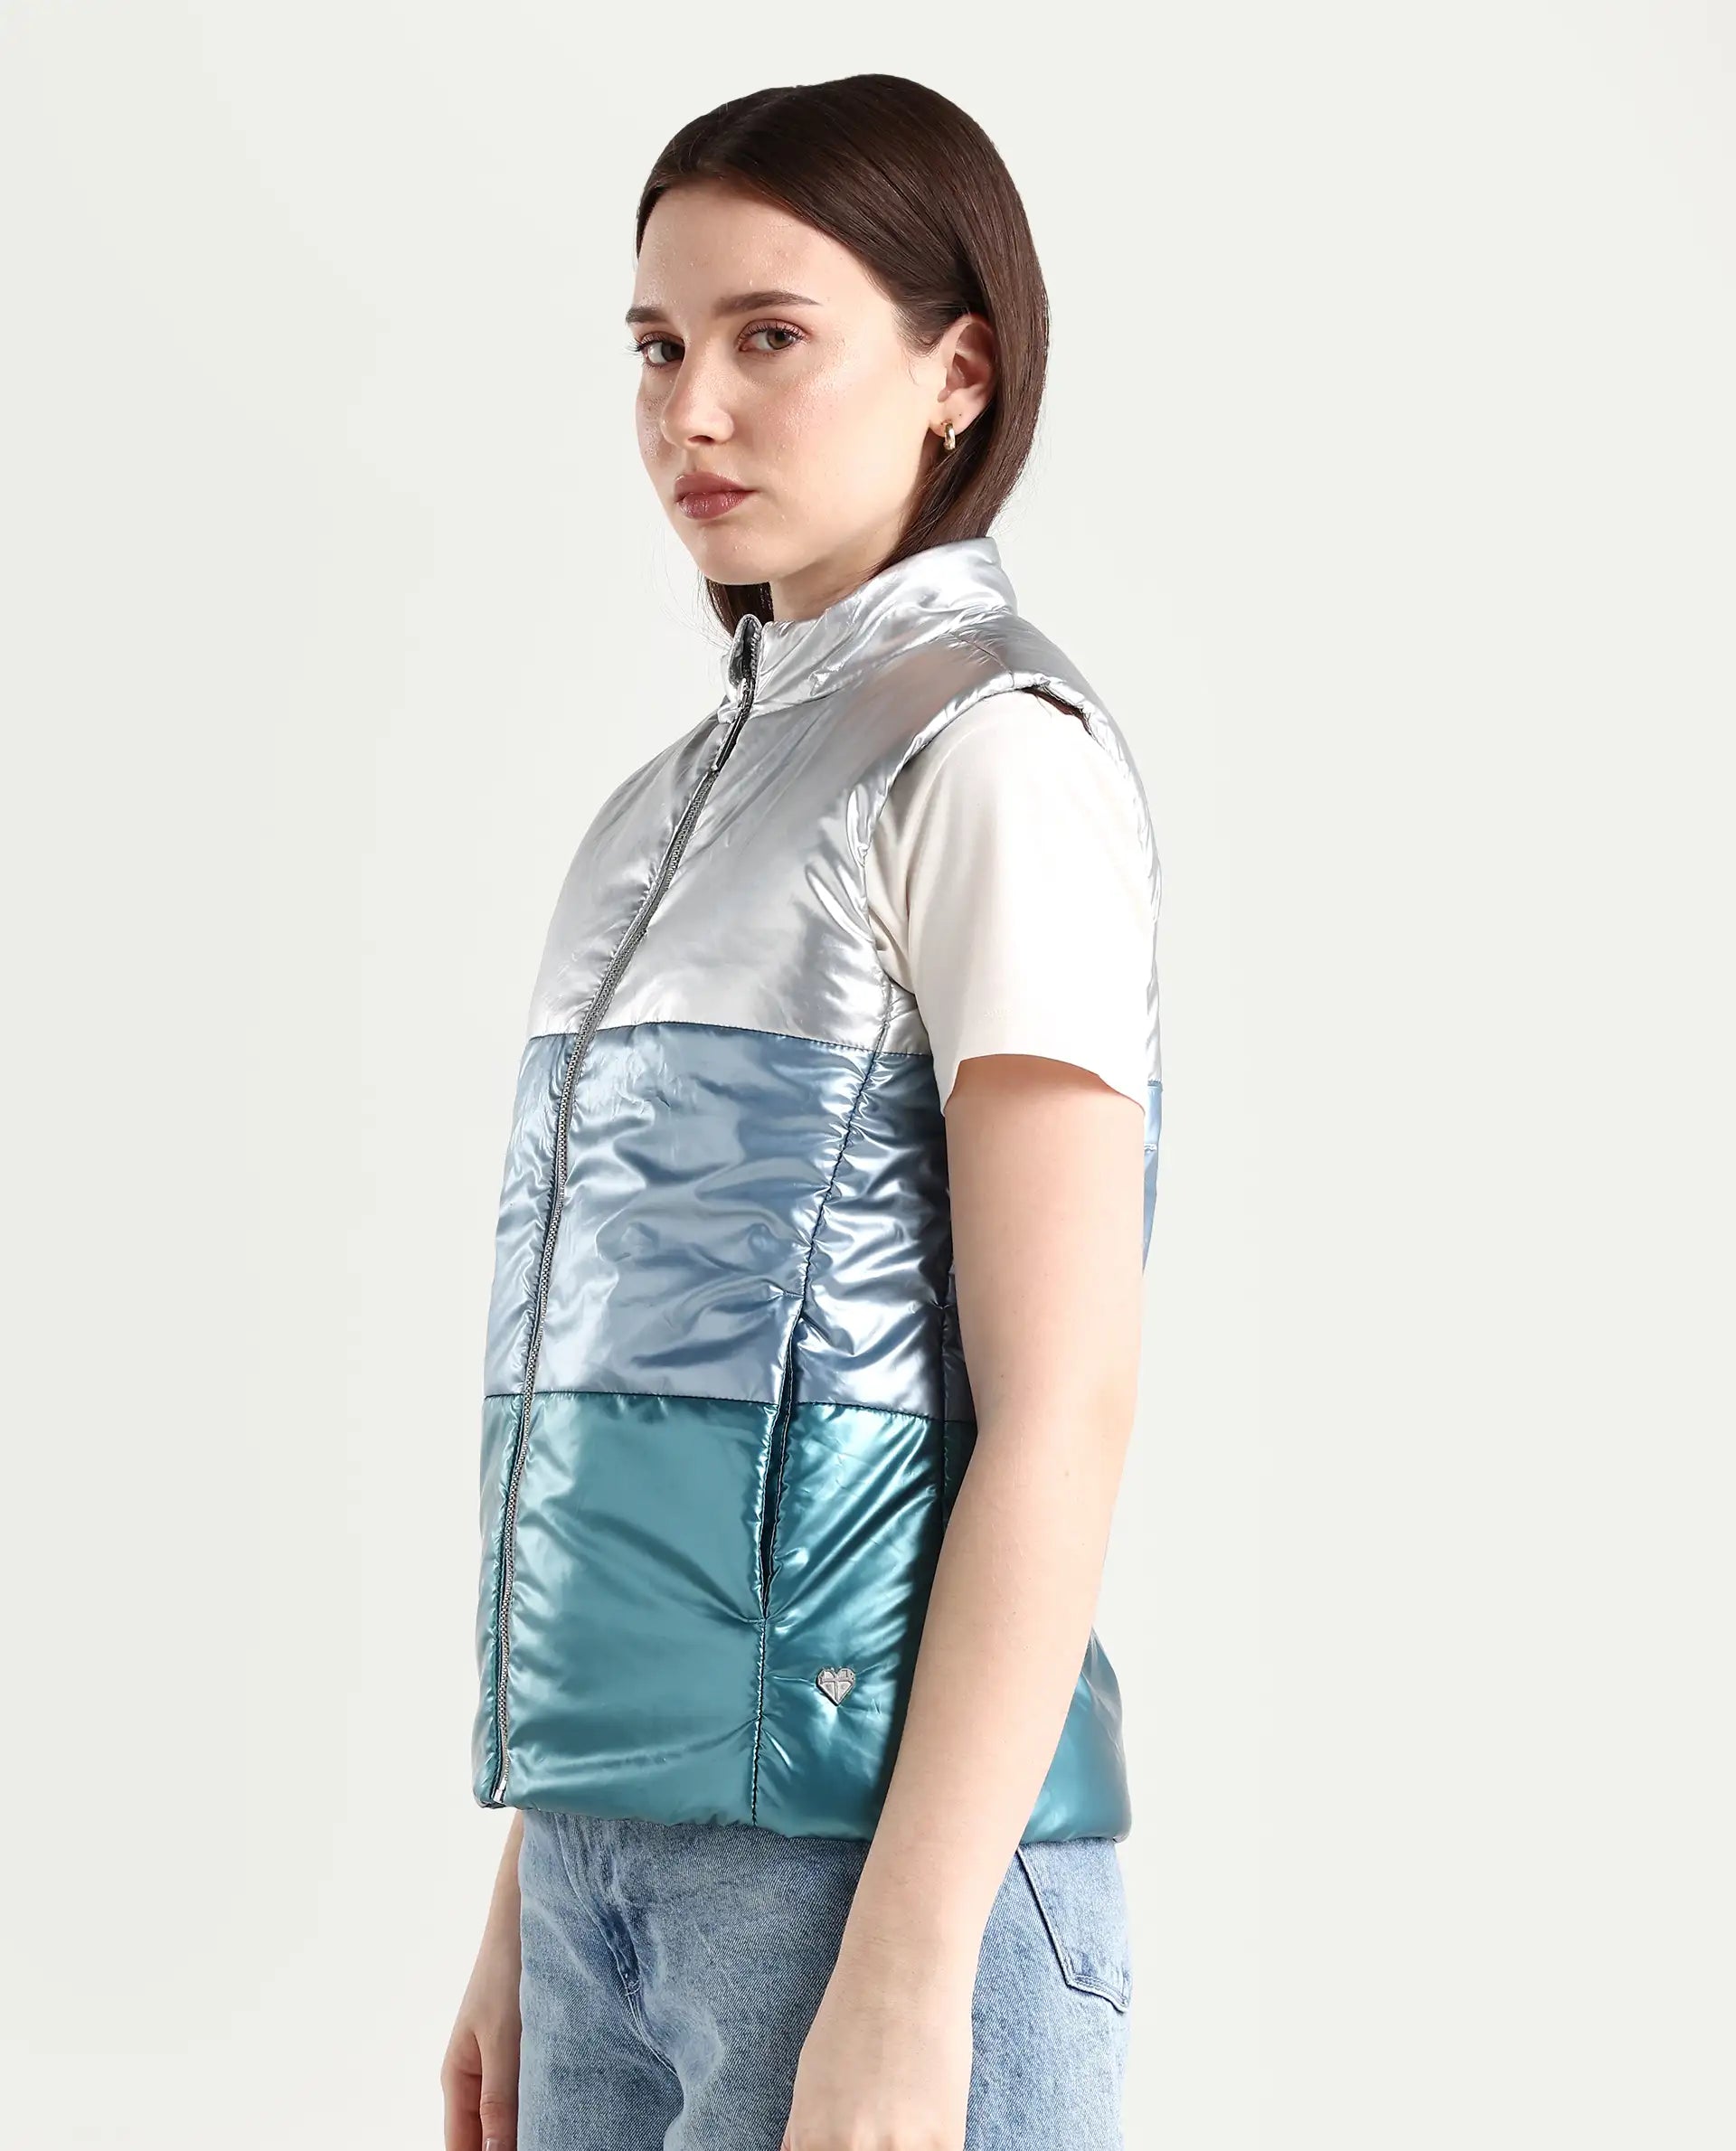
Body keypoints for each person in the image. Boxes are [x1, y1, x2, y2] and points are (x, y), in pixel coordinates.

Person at [442, 72, 1164, 2151]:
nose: (696, 410)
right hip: (611, 1884)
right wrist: (534, 1890)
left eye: (771, 337)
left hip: (875, 1880)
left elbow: (1063, 1403)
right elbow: (635, 1410)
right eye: (656, 346)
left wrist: (913, 1968)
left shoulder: (996, 758)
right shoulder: (652, 818)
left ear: (959, 374)